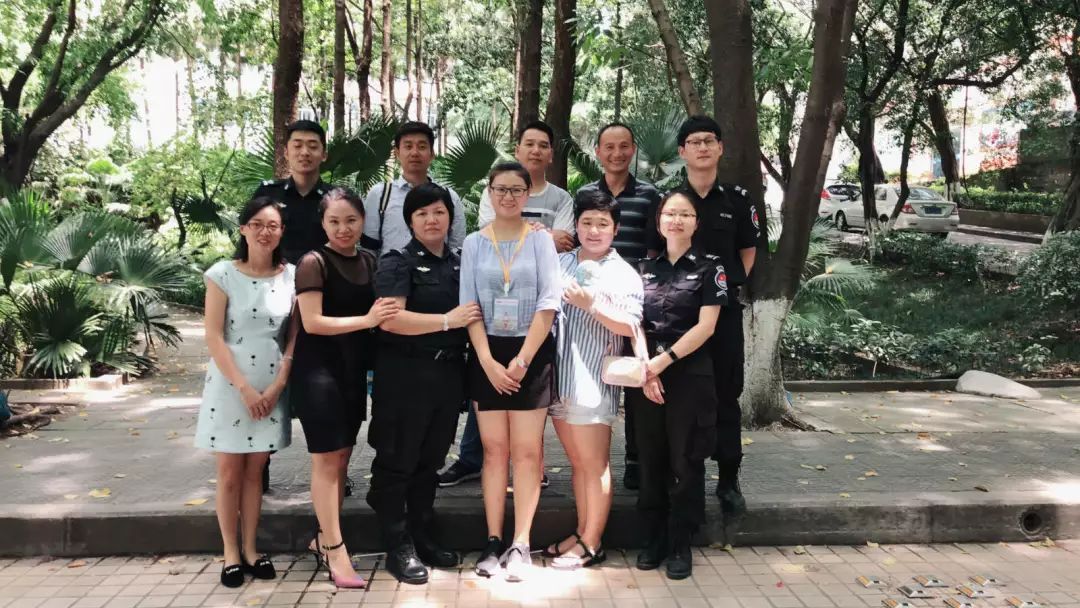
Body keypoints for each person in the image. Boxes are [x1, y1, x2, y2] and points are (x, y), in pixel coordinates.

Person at [439, 120, 573, 489]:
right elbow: (493, 228)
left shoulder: (561, 198)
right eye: (529, 143)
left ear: (550, 153)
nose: (535, 150)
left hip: (533, 325)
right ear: (518, 148)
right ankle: (472, 461)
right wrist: (541, 232)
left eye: (543, 144)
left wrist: (537, 235)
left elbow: (564, 240)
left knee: (527, 425)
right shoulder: (491, 202)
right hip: (489, 320)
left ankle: (531, 471)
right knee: (489, 423)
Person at [365, 183, 483, 584]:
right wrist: (449, 320)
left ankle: (422, 534)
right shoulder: (397, 263)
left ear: (450, 217)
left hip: (447, 376)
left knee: (430, 461)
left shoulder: (461, 262)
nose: (432, 220)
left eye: (439, 212)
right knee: (397, 460)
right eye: (422, 213)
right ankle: (397, 544)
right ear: (410, 221)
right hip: (405, 375)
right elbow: (391, 319)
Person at [649, 115, 759, 516]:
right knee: (678, 393)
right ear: (682, 151)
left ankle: (728, 479)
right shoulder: (669, 201)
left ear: (720, 147)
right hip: (678, 319)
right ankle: (671, 475)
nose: (702, 147)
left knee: (726, 395)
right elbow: (655, 254)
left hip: (723, 315)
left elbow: (748, 251)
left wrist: (726, 286)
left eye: (709, 140)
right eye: (694, 142)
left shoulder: (737, 200)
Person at [291, 187, 402, 589]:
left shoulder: (370, 260)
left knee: (341, 459)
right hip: (317, 374)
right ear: (323, 223)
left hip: (353, 374)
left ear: (363, 222)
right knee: (326, 461)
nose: (343, 228)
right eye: (334, 221)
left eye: (351, 220)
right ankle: (335, 549)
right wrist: (367, 320)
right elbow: (313, 322)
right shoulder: (313, 262)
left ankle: (323, 538)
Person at [460, 162, 561, 582]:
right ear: (489, 192)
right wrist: (486, 361)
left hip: (530, 352)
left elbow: (549, 302)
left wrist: (521, 361)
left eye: (516, 190)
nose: (508, 196)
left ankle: (521, 542)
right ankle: (492, 539)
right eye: (500, 189)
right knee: (493, 450)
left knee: (527, 451)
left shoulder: (540, 241)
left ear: (526, 195)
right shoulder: (473, 243)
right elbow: (469, 305)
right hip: (486, 352)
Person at [193, 197, 297, 587]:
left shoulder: (291, 276)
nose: (264, 231)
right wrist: (244, 388)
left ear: (281, 231)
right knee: (229, 472)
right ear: (243, 229)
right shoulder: (222, 274)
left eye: (272, 225)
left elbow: (293, 335)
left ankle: (252, 549)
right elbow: (213, 336)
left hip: (272, 383)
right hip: (230, 384)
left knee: (256, 471)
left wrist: (279, 383)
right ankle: (230, 553)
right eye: (256, 224)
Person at [545, 190, 643, 569]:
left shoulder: (623, 272)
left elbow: (631, 325)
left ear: (615, 229)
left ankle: (592, 542)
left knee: (594, 463)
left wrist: (592, 305)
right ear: (576, 225)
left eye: (603, 223)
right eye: (587, 222)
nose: (594, 230)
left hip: (593, 381)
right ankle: (582, 531)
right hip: (558, 379)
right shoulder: (560, 263)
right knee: (578, 464)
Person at [630, 191, 726, 580]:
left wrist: (662, 362)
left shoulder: (710, 268)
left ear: (696, 223)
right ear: (659, 222)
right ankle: (653, 538)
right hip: (647, 377)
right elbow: (634, 323)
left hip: (689, 375)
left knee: (686, 459)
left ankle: (681, 542)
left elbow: (707, 326)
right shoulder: (641, 269)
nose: (676, 220)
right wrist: (647, 369)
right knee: (650, 458)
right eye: (670, 213)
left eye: (685, 214)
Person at [572, 121, 662, 491]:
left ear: (633, 149)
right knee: (597, 378)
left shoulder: (649, 195)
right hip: (591, 302)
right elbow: (577, 242)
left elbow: (655, 248)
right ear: (597, 151)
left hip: (632, 300)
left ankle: (636, 458)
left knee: (634, 378)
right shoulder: (585, 193)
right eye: (609, 147)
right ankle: (593, 458)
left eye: (624, 146)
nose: (616, 153)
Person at [251, 120, 331, 494]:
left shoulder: (333, 198)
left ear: (323, 153)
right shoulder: (268, 194)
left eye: (312, 145)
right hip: (272, 299)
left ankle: (331, 469)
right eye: (297, 144)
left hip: (319, 303)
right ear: (286, 151)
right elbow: (252, 241)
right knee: (266, 378)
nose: (304, 152)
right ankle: (258, 469)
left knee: (321, 387)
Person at [362, 121, 466, 257]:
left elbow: (457, 250)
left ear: (432, 154)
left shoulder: (449, 197)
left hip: (437, 271)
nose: (415, 153)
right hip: (391, 269)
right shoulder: (380, 195)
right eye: (408, 146)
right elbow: (369, 250)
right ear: (397, 153)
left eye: (422, 147)